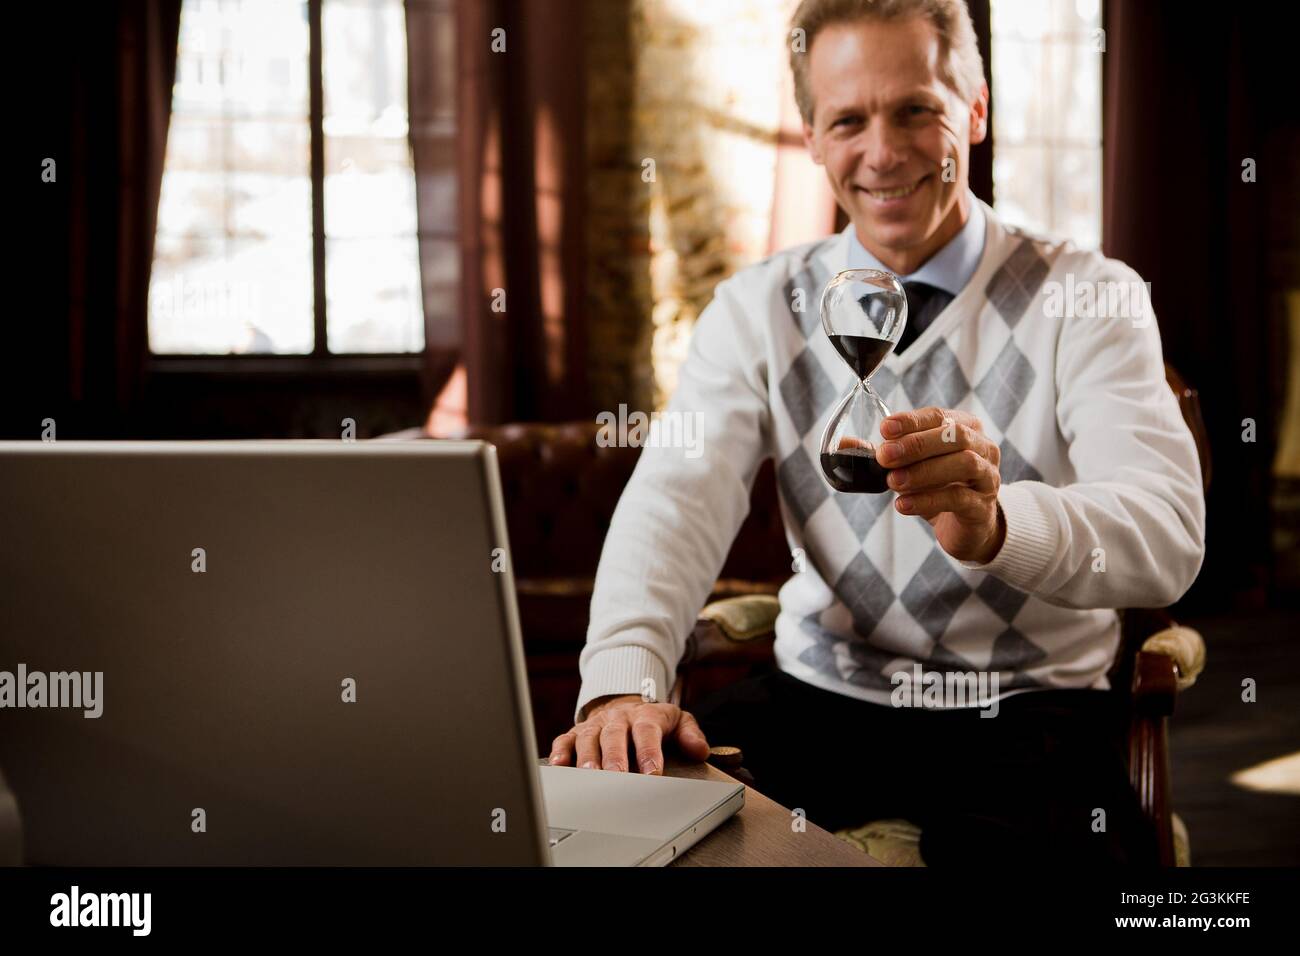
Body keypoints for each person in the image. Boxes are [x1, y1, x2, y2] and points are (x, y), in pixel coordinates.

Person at [549, 0, 1206, 865]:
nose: (883, 151)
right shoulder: (757, 308)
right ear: (813, 138)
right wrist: (622, 688)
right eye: (848, 119)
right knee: (623, 834)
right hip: (824, 699)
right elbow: (674, 502)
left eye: (915, 110)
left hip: (1030, 708)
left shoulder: (1089, 296)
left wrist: (1002, 525)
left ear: (974, 110)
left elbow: (1167, 537)